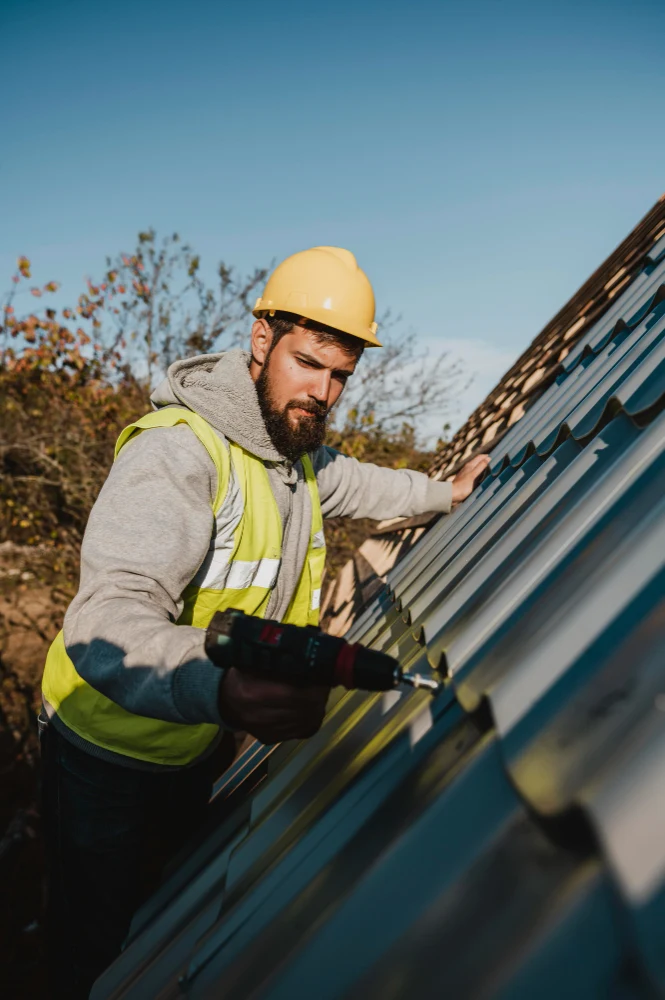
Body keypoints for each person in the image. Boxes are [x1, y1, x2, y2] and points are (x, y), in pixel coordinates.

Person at [39, 246, 489, 997]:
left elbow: (361, 481)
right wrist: (221, 692)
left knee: (162, 929)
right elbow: (106, 619)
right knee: (93, 949)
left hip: (191, 740)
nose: (323, 392)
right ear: (259, 341)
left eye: (341, 375)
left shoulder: (294, 455)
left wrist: (445, 492)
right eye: (309, 363)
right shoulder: (179, 455)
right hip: (103, 755)